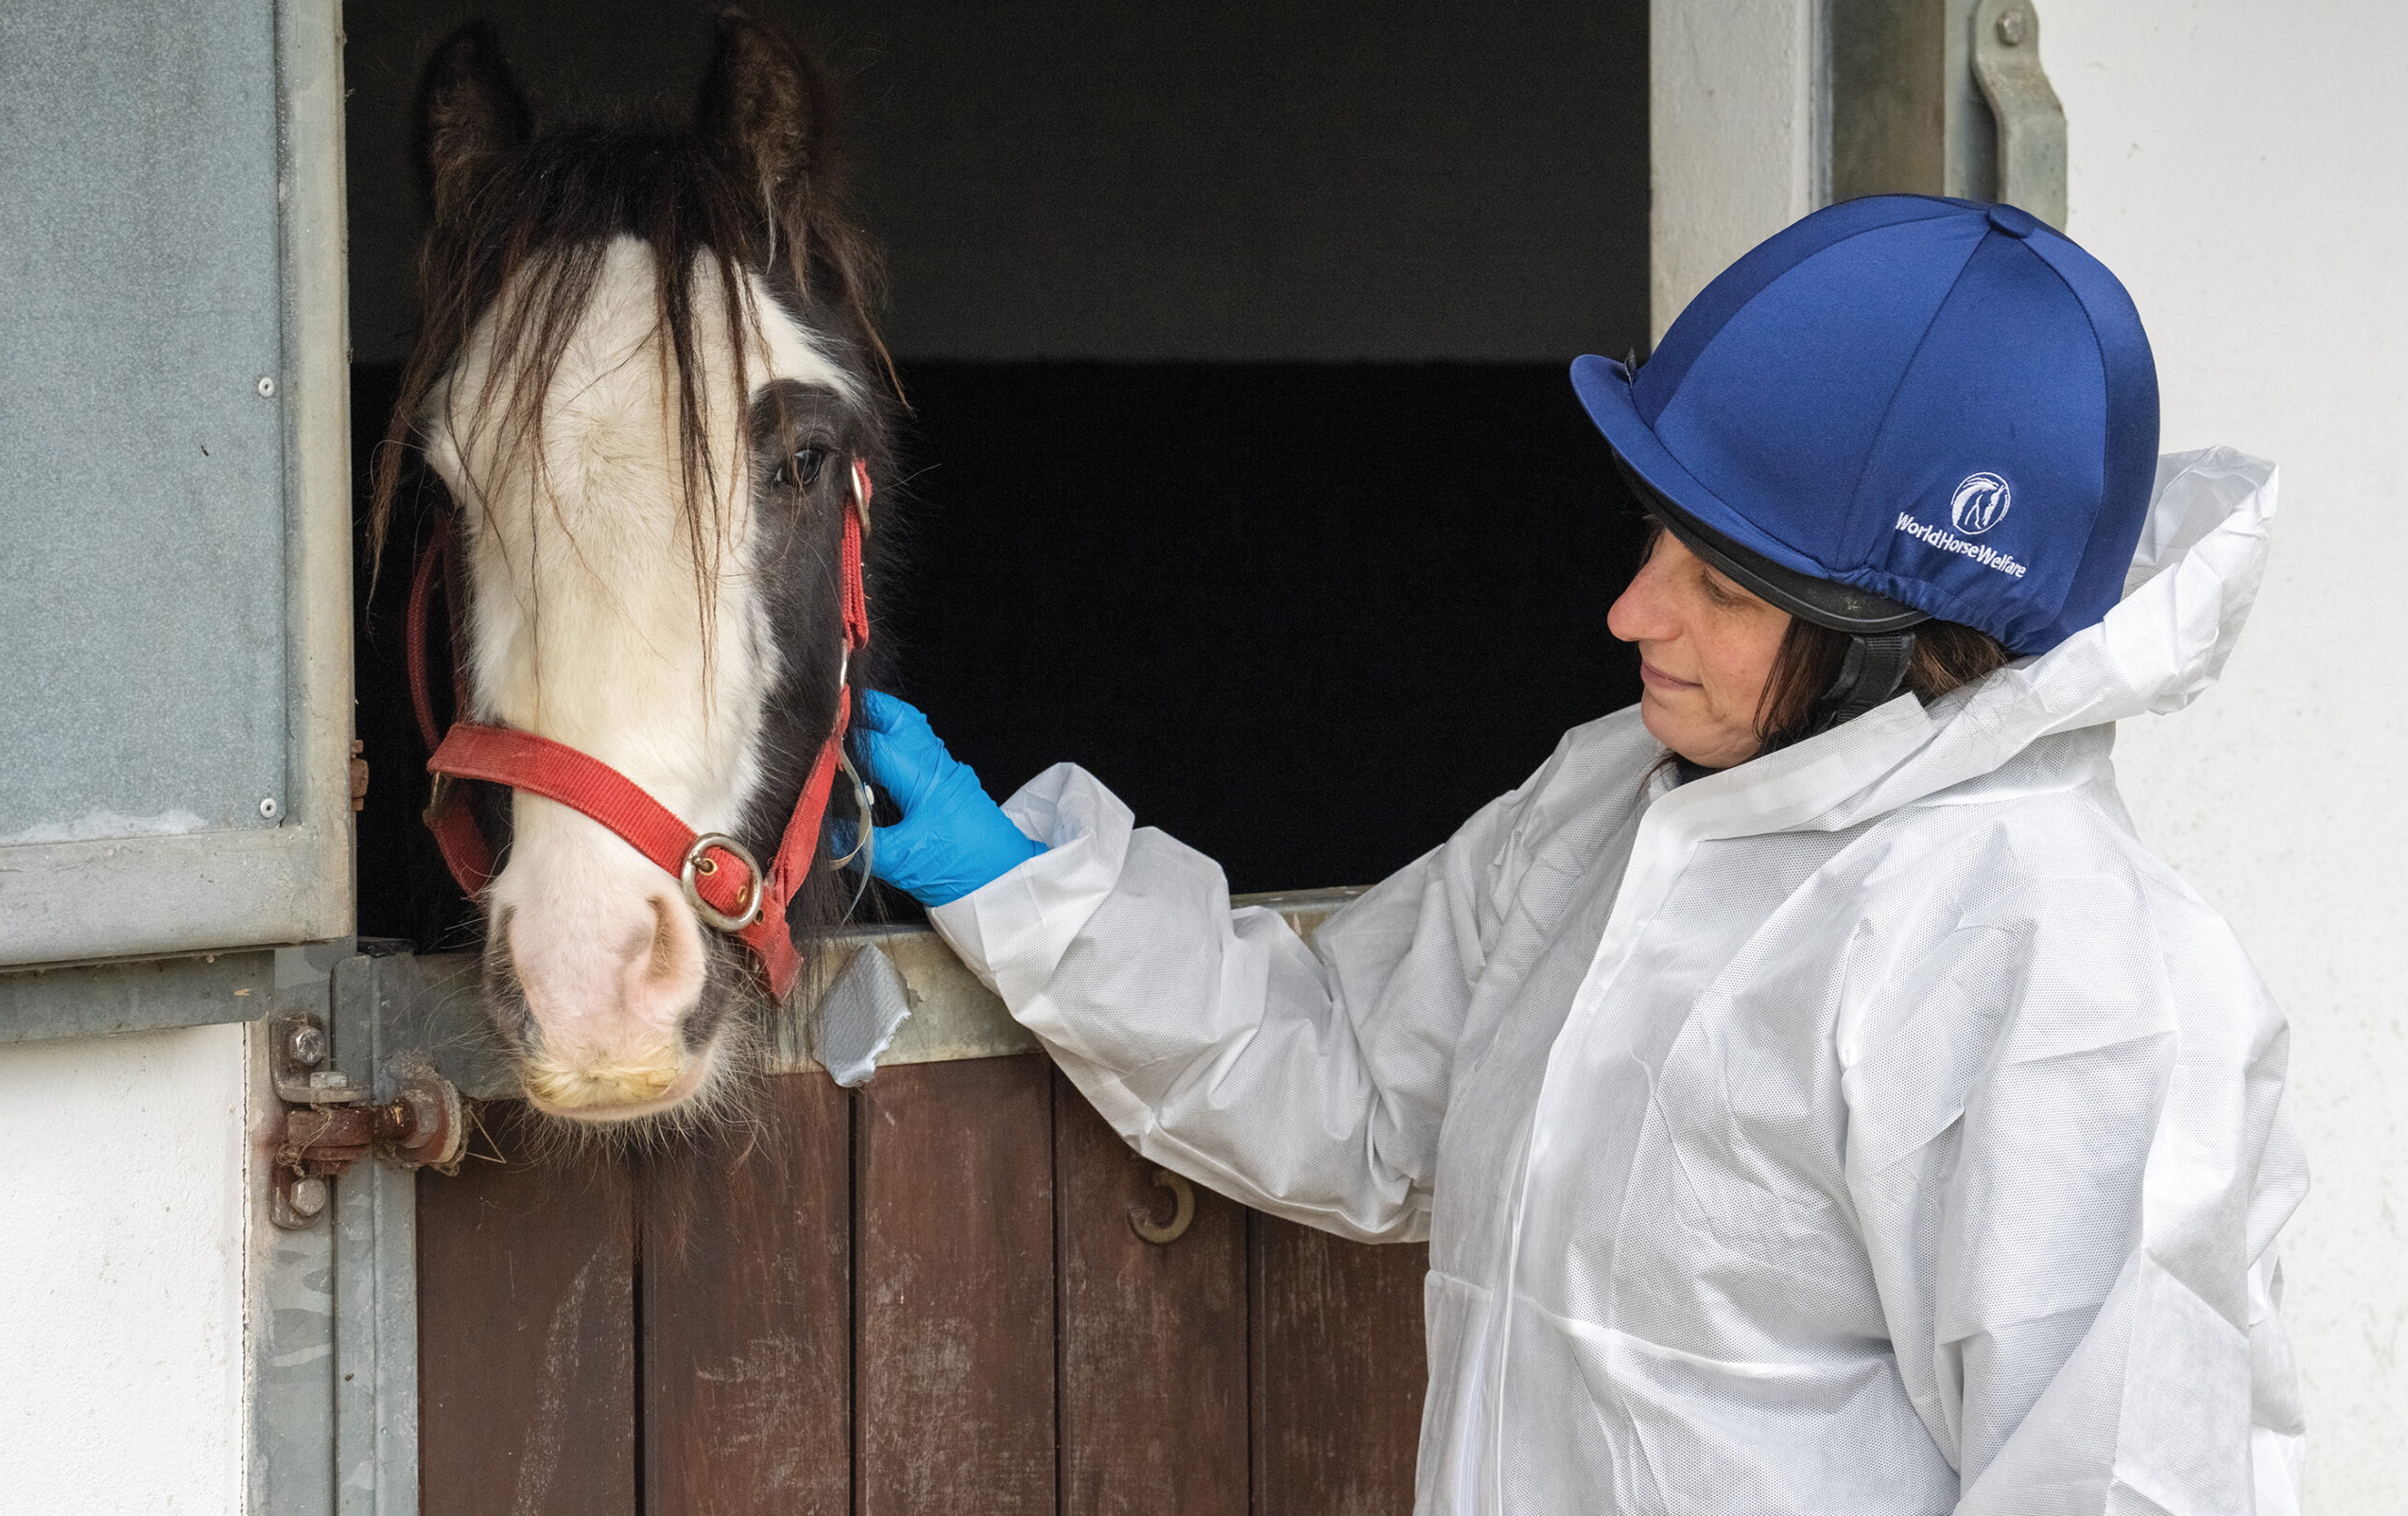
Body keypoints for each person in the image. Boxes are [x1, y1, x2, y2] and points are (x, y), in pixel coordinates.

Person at [853, 196, 2305, 1515]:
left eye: (1720, 584)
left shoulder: (2058, 964)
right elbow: (1354, 1078)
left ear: (1906, 644)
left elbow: (2124, 1484)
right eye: (1654, 539)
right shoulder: (1622, 804)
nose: (1628, 615)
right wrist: (1030, 889)